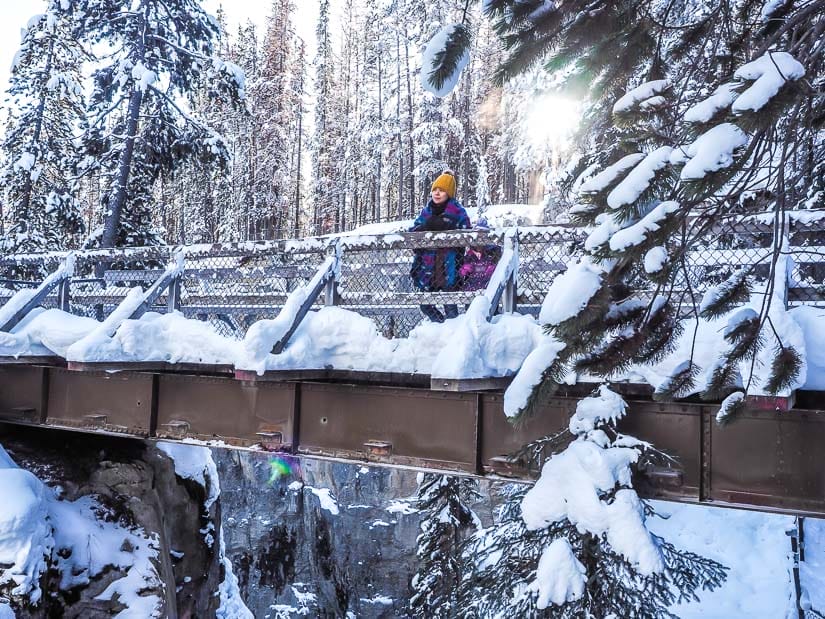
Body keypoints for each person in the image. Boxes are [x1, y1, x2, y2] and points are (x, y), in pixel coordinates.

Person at [409, 170, 471, 322]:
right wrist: (424, 228)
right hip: (427, 265)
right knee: (425, 303)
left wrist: (448, 228)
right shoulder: (427, 211)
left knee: (449, 302)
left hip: (449, 264)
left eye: (442, 190)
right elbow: (413, 232)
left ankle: (453, 329)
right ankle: (440, 326)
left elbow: (467, 233)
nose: (437, 193)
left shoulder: (457, 211)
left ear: (448, 193)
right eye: (435, 189)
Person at [460, 217, 502, 291]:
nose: (480, 239)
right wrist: (464, 270)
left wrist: (493, 269)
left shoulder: (493, 253)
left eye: (483, 235)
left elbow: (499, 268)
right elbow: (462, 273)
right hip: (471, 287)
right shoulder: (470, 254)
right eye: (478, 235)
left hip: (488, 288)